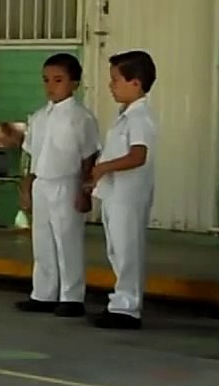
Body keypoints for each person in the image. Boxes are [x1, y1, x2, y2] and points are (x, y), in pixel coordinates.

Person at [17, 53, 100, 318]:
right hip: (42, 183)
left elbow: (89, 157)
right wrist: (27, 186)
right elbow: (31, 155)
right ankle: (43, 293)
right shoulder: (39, 117)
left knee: (68, 240)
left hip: (68, 183)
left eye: (58, 80)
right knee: (42, 240)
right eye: (46, 80)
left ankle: (72, 296)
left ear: (74, 83)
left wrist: (84, 190)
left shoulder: (81, 118)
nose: (50, 86)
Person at [86, 50, 158, 330]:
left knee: (128, 251)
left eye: (116, 80)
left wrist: (104, 168)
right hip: (115, 195)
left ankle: (128, 308)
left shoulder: (141, 117)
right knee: (117, 250)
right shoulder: (125, 116)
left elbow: (138, 155)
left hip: (129, 196)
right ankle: (119, 302)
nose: (111, 85)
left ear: (135, 83)